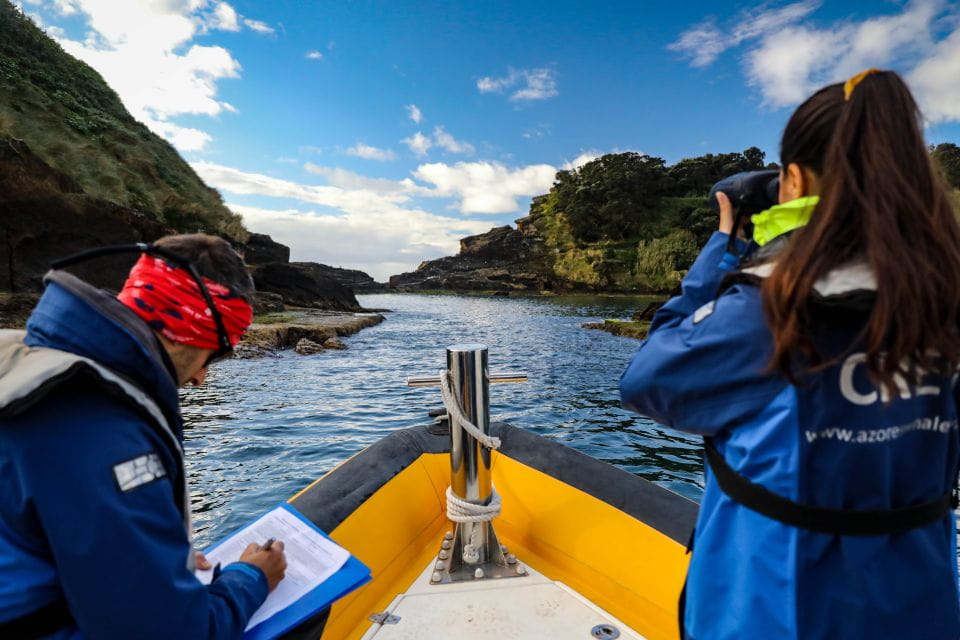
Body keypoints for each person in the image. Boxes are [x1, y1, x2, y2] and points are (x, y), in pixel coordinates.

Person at [620, 69, 960, 640]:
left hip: (773, 609)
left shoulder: (763, 314)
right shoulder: (943, 303)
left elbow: (646, 379)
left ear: (795, 181)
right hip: (919, 606)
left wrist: (725, 249)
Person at [0, 233, 287, 638]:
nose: (202, 378)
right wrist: (251, 578)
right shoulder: (100, 424)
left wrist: (159, 565)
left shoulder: (27, 367)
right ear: (192, 330)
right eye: (216, 353)